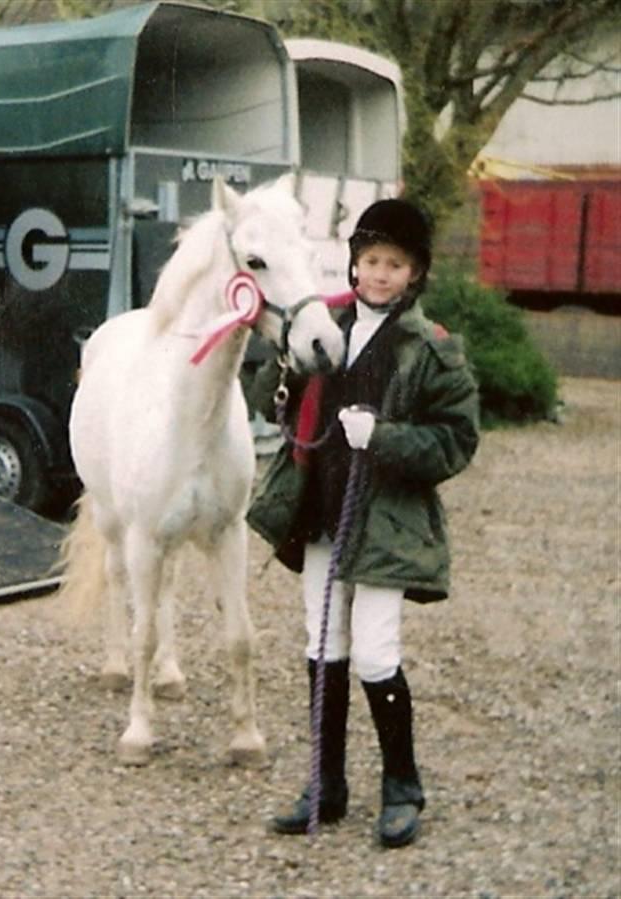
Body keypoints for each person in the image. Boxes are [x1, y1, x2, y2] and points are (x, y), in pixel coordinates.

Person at [246, 198, 480, 848]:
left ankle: (402, 788)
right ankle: (327, 785)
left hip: (385, 525)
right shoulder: (325, 325)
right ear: (354, 262)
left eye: (393, 264)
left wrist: (384, 437)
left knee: (377, 653)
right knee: (323, 649)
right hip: (320, 512)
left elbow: (456, 441)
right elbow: (267, 401)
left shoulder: (432, 351)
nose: (378, 275)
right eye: (369, 260)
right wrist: (285, 372)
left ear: (415, 273)